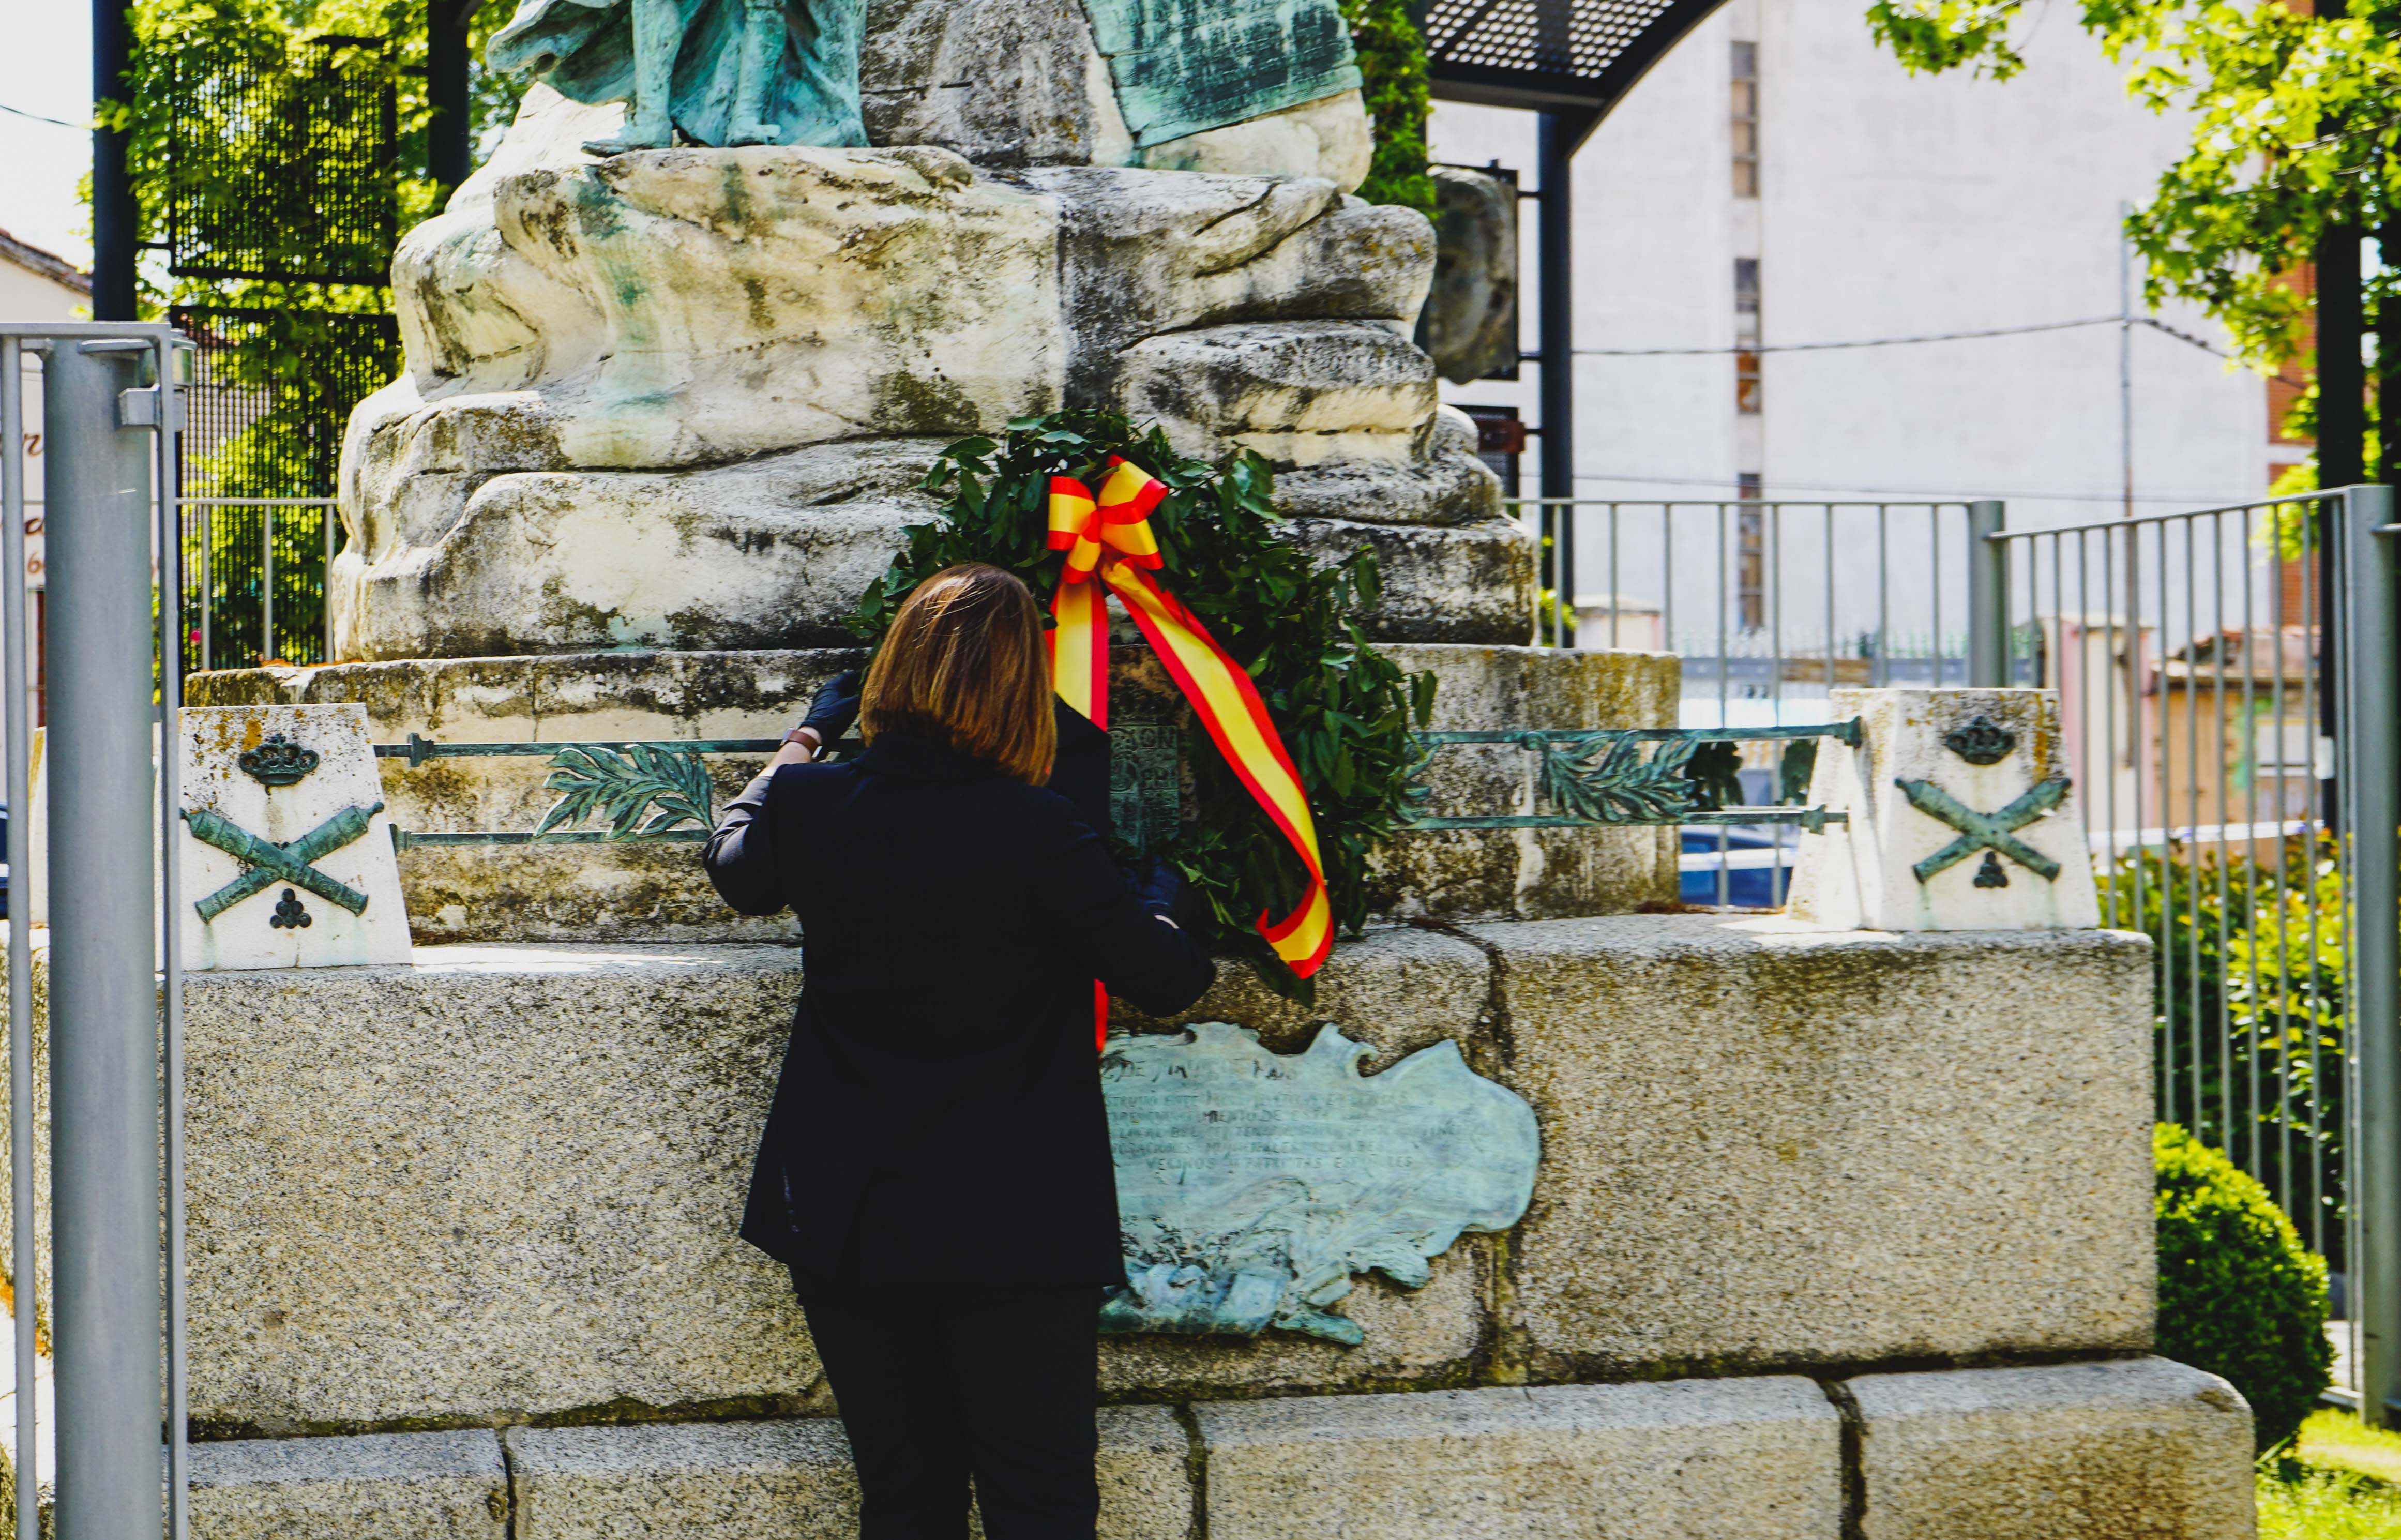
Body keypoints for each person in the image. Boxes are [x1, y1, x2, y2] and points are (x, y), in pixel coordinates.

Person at [704, 562, 1213, 1540]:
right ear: (1023, 689)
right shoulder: (1039, 829)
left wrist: (802, 740)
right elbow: (1165, 977)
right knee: (1042, 1504)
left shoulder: (815, 802)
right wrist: (1160, 897)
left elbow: (736, 864)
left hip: (849, 1208)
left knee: (906, 1500)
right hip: (1013, 1219)